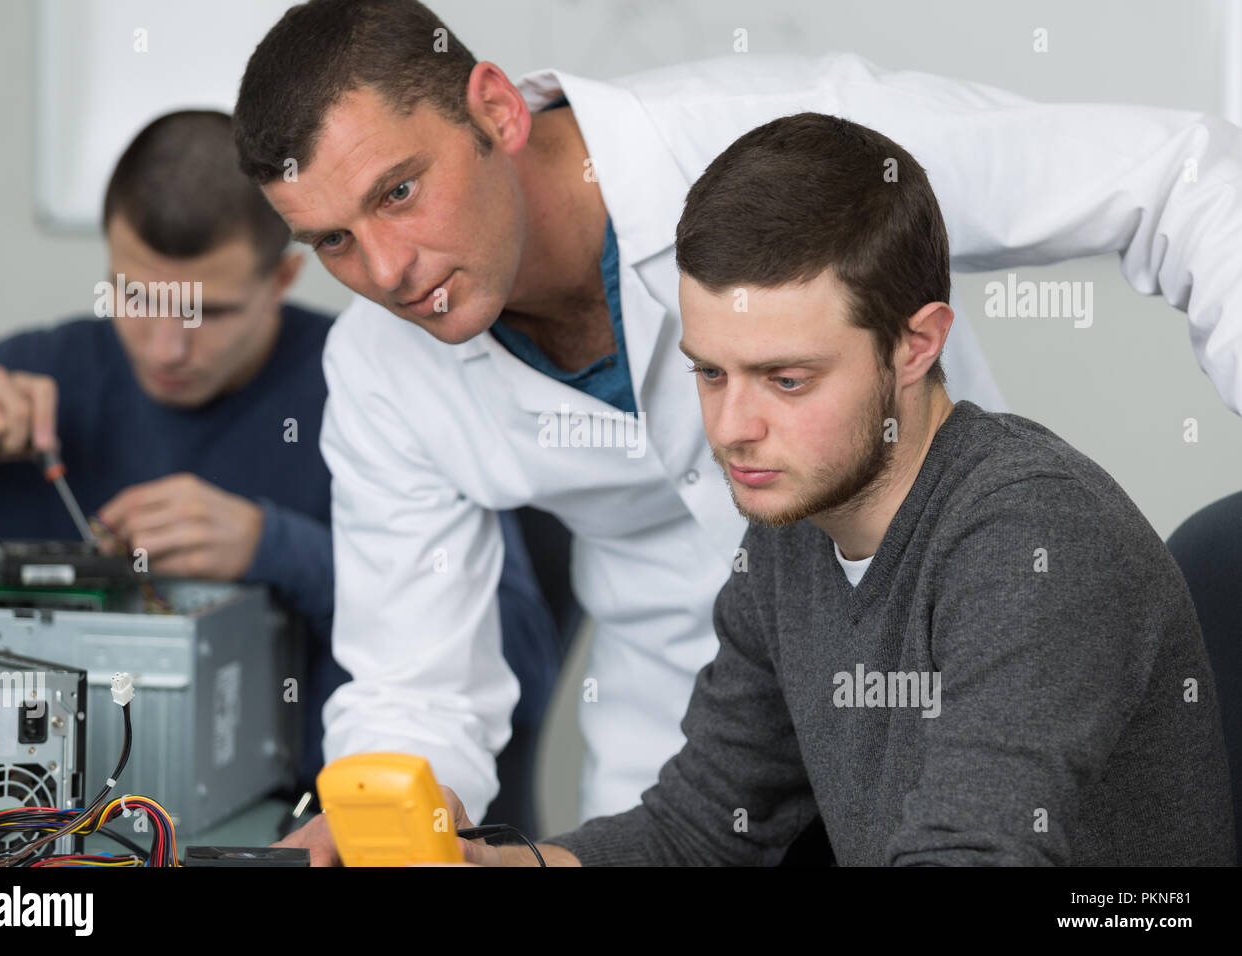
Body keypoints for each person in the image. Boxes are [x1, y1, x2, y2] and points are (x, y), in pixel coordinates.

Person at [233, 0, 1242, 862]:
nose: (387, 270)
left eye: (399, 192)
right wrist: (376, 824)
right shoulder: (379, 367)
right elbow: (417, 682)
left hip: (940, 666)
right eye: (332, 241)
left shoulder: (797, 152)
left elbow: (1171, 177)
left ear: (494, 108)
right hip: (693, 744)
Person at [445, 112, 1236, 866]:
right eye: (710, 372)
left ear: (915, 345)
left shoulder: (1033, 538)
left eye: (786, 380)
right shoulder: (794, 527)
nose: (732, 428)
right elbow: (704, 829)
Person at [0, 110, 559, 822]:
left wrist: (274, 548)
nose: (165, 347)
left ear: (284, 277)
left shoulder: (380, 387)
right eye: (135, 297)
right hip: (36, 825)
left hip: (308, 830)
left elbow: (523, 664)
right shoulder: (33, 374)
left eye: (207, 311)